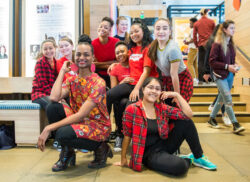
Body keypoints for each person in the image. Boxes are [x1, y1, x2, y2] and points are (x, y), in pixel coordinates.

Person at [115, 77, 217, 176]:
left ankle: (198, 157)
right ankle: (188, 159)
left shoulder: (161, 108)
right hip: (148, 153)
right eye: (150, 87)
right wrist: (123, 159)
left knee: (186, 122)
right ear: (143, 89)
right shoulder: (132, 109)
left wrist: (176, 95)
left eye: (157, 89)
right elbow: (127, 135)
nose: (154, 91)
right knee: (180, 166)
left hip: (165, 144)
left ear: (161, 93)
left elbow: (188, 114)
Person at [37, 42, 112, 172]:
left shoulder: (98, 82)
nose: (81, 58)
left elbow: (81, 114)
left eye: (86, 55)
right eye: (78, 54)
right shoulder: (72, 79)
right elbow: (54, 98)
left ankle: (101, 147)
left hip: (97, 125)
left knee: (61, 133)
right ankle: (68, 152)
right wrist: (62, 71)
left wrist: (49, 127)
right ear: (73, 57)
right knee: (52, 107)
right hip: (79, 121)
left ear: (93, 58)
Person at [106, 20, 158, 151]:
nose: (134, 34)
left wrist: (136, 89)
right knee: (110, 95)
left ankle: (128, 137)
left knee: (127, 105)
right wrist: (113, 64)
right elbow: (122, 58)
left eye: (137, 31)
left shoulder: (148, 48)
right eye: (132, 32)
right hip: (131, 82)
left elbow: (146, 72)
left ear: (143, 32)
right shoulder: (132, 49)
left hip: (143, 85)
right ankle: (105, 128)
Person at [208, 20, 245, 134]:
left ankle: (211, 118)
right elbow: (212, 62)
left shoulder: (231, 45)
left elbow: (231, 62)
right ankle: (235, 124)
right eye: (231, 28)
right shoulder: (217, 44)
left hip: (229, 76)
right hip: (220, 76)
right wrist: (227, 66)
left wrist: (234, 66)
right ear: (224, 30)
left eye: (234, 28)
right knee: (228, 99)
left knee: (221, 97)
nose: (234, 30)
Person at [148, 18, 193, 105]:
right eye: (158, 28)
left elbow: (174, 74)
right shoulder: (154, 46)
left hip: (181, 79)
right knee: (166, 108)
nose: (161, 31)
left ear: (170, 31)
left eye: (165, 28)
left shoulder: (172, 49)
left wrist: (177, 95)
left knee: (178, 108)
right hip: (167, 79)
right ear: (154, 32)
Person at [203, 24, 231, 126]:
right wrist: (206, 72)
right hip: (215, 70)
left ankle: (214, 106)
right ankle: (224, 114)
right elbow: (207, 58)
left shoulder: (227, 42)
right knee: (224, 92)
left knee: (222, 92)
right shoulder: (212, 42)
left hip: (226, 71)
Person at [109, 41, 132, 152]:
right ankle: (119, 134)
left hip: (135, 94)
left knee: (125, 102)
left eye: (122, 51)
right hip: (121, 96)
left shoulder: (134, 64)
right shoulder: (115, 69)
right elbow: (114, 90)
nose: (120, 54)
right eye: (117, 53)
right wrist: (122, 81)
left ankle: (126, 133)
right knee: (120, 102)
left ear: (128, 52)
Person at [92, 17, 120, 88]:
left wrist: (99, 64)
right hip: (97, 74)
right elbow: (93, 65)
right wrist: (109, 64)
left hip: (114, 74)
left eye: (105, 28)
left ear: (110, 30)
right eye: (100, 27)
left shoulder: (116, 42)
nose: (102, 29)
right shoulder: (93, 44)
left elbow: (118, 62)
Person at [31, 39, 58, 110]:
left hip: (53, 94)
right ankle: (54, 122)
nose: (48, 51)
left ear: (55, 48)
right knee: (54, 106)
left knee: (66, 103)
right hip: (39, 94)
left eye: (51, 48)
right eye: (45, 49)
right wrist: (55, 96)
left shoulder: (57, 62)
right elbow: (43, 84)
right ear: (42, 51)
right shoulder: (40, 62)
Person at [193, 8, 215, 84]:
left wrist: (196, 45)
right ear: (207, 13)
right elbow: (214, 34)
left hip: (201, 45)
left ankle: (201, 79)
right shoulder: (211, 22)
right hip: (210, 44)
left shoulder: (197, 23)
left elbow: (194, 36)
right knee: (211, 61)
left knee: (201, 62)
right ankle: (210, 78)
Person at [184, 17, 198, 84]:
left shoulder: (193, 30)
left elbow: (193, 39)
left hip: (192, 48)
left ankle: (193, 78)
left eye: (190, 23)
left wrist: (187, 42)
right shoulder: (197, 29)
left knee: (189, 63)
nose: (189, 24)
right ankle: (196, 78)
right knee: (195, 64)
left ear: (194, 23)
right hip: (195, 48)